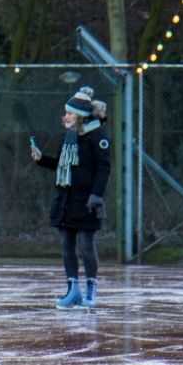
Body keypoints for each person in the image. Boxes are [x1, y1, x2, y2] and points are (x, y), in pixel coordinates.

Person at [31, 86, 112, 309]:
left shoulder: (98, 137)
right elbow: (60, 164)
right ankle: (72, 290)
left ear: (81, 116)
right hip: (65, 199)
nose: (65, 116)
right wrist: (41, 159)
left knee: (86, 246)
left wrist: (96, 195)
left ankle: (91, 290)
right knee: (67, 246)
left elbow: (104, 169)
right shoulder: (68, 137)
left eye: (70, 113)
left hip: (86, 201)